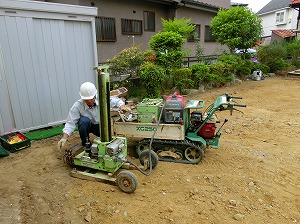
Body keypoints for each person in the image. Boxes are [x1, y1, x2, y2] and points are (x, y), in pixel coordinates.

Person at [57, 82, 130, 149]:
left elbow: (117, 101)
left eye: (90, 99)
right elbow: (70, 122)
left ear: (95, 95)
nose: (89, 101)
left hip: (101, 126)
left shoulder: (101, 98)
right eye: (86, 99)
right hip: (89, 126)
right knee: (83, 121)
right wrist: (64, 138)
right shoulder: (78, 106)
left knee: (108, 140)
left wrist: (122, 107)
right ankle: (86, 144)